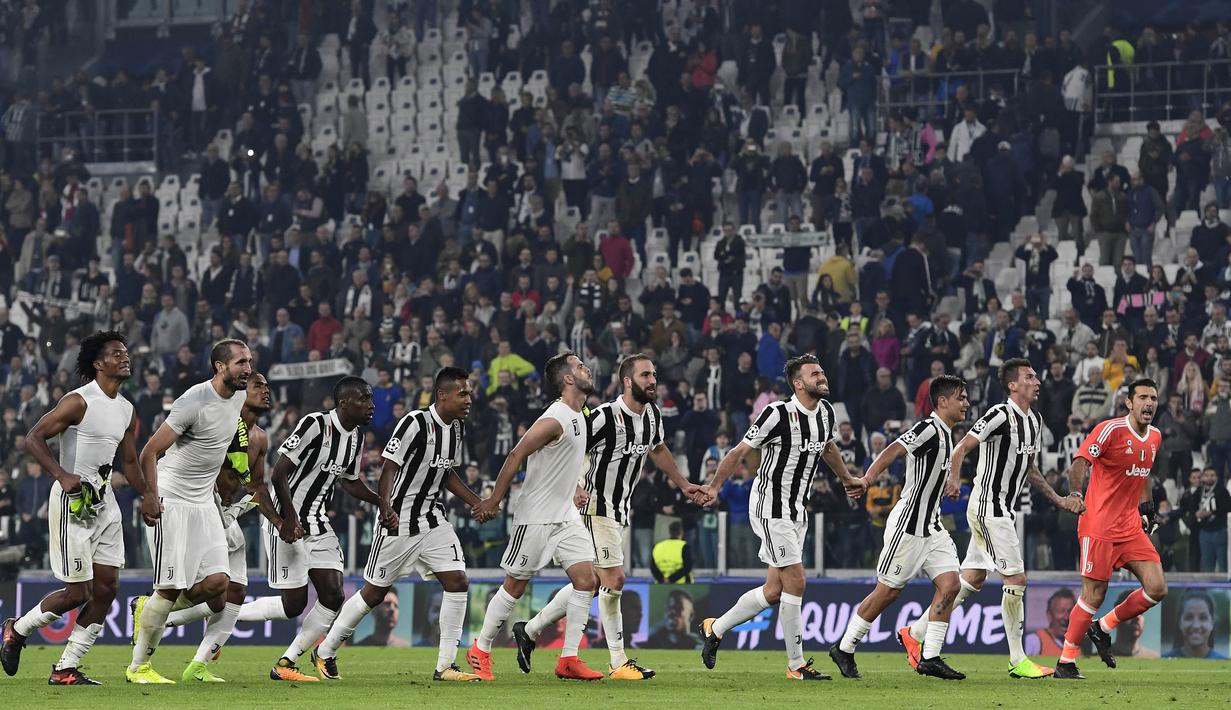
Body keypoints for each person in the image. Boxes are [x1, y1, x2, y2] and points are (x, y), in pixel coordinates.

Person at [514, 354, 705, 680]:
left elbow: (658, 450)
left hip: (619, 513)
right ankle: (618, 661)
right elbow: (568, 449)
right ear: (627, 381)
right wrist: (574, 486)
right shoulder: (603, 417)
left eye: (654, 374)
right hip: (593, 509)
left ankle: (529, 630)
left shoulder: (652, 416)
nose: (652, 380)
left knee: (589, 585)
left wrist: (684, 483)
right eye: (645, 375)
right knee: (614, 580)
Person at [897, 358, 1083, 678]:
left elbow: (1029, 469)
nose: (1037, 381)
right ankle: (1017, 659)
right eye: (1029, 376)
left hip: (1002, 511)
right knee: (1016, 580)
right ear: (1013, 385)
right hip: (988, 507)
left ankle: (914, 633)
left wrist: (1057, 499)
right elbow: (961, 447)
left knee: (971, 581)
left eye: (1036, 375)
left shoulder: (1034, 421)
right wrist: (954, 479)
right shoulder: (999, 415)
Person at [698, 354, 868, 681]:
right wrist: (715, 486)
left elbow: (827, 447)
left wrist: (846, 478)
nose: (822, 376)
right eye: (815, 373)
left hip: (796, 511)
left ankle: (714, 628)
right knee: (797, 581)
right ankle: (796, 665)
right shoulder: (777, 414)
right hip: (770, 507)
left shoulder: (826, 412)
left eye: (822, 371)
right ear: (798, 383)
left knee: (774, 590)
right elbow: (739, 452)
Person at [313, 367, 485, 682]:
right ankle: (325, 651)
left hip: (432, 519)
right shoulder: (414, 423)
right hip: (400, 519)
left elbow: (446, 473)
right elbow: (389, 467)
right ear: (442, 395)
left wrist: (476, 502)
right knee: (374, 594)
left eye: (469, 392)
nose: (469, 398)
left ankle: (445, 665)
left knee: (458, 581)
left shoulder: (456, 429)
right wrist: (386, 506)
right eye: (462, 393)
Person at [1, 332, 153, 685]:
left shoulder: (127, 408)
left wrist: (146, 494)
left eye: (126, 353)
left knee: (107, 589)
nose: (125, 358)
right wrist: (60, 474)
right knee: (78, 593)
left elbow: (129, 461)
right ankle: (17, 629)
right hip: (73, 505)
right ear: (99, 364)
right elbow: (33, 438)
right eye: (117, 354)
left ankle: (66, 667)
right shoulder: (78, 401)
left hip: (106, 506)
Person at [237, 376, 394, 682]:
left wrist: (381, 502)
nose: (372, 405)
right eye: (364, 399)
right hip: (287, 521)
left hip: (319, 524)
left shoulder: (356, 437)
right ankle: (225, 612)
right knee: (292, 605)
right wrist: (289, 519)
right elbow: (279, 473)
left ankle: (287, 661)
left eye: (372, 399)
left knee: (333, 595)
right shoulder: (314, 425)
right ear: (344, 403)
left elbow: (349, 480)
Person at [466, 352, 604, 681]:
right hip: (536, 516)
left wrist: (574, 488)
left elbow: (562, 463)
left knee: (588, 582)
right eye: (580, 366)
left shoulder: (580, 415)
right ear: (568, 379)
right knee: (514, 586)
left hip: (566, 516)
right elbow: (517, 454)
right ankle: (480, 648)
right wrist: (494, 501)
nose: (587, 369)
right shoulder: (553, 419)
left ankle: (568, 658)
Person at [123, 339, 252, 684]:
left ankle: (146, 609)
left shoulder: (239, 397)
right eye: (241, 362)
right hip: (172, 500)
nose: (248, 369)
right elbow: (149, 451)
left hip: (204, 503)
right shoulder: (193, 401)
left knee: (217, 584)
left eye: (249, 361)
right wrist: (150, 496)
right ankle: (139, 668)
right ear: (220, 366)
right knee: (168, 588)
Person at [830, 375, 970, 681]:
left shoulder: (947, 435)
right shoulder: (927, 428)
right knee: (887, 593)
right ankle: (845, 646)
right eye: (961, 397)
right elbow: (893, 449)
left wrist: (952, 480)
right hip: (907, 525)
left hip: (931, 527)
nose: (966, 403)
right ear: (942, 402)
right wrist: (867, 479)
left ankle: (930, 656)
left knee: (951, 585)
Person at [154, 373, 277, 681]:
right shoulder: (219, 424)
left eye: (266, 386)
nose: (266, 391)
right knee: (209, 589)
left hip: (226, 515)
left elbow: (257, 487)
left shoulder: (260, 438)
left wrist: (279, 521)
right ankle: (157, 614)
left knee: (235, 590)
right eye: (257, 386)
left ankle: (198, 665)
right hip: (199, 508)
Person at [1054, 378, 1169, 679]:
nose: (1149, 403)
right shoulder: (1110, 430)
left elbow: (1143, 475)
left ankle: (1102, 627)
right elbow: (1080, 462)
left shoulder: (1155, 436)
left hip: (1130, 527)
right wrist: (1076, 493)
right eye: (1142, 397)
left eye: (1153, 398)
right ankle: (1065, 662)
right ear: (1129, 402)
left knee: (1157, 588)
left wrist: (1148, 510)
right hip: (1099, 525)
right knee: (1093, 594)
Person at [1162, 590, 1227, 659]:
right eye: (1189, 618)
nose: (1196, 626)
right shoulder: (1163, 661)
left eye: (1203, 618)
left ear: (1212, 622)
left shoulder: (1225, 664)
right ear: (1180, 622)